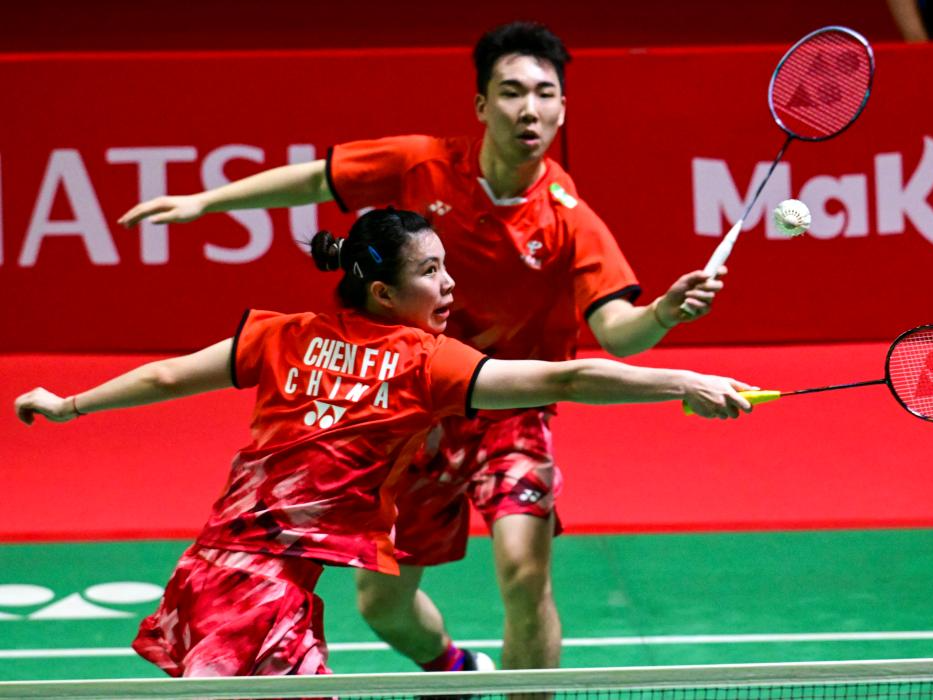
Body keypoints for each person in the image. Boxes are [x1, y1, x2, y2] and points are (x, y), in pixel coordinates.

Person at [117, 22, 730, 673]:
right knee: (382, 604)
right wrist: (203, 203)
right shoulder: (421, 164)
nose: (529, 109)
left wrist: (663, 312)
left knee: (525, 573)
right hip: (410, 411)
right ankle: (457, 669)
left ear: (562, 109)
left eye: (545, 93)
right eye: (512, 92)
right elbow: (316, 180)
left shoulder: (568, 216)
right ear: (482, 105)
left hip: (510, 408)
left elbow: (618, 332)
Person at [15, 208, 752, 678]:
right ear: (384, 295)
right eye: (431, 272)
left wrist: (69, 404)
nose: (450, 284)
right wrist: (683, 381)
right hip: (259, 600)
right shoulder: (424, 362)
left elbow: (167, 375)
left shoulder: (281, 334)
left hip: (212, 572)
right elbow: (570, 376)